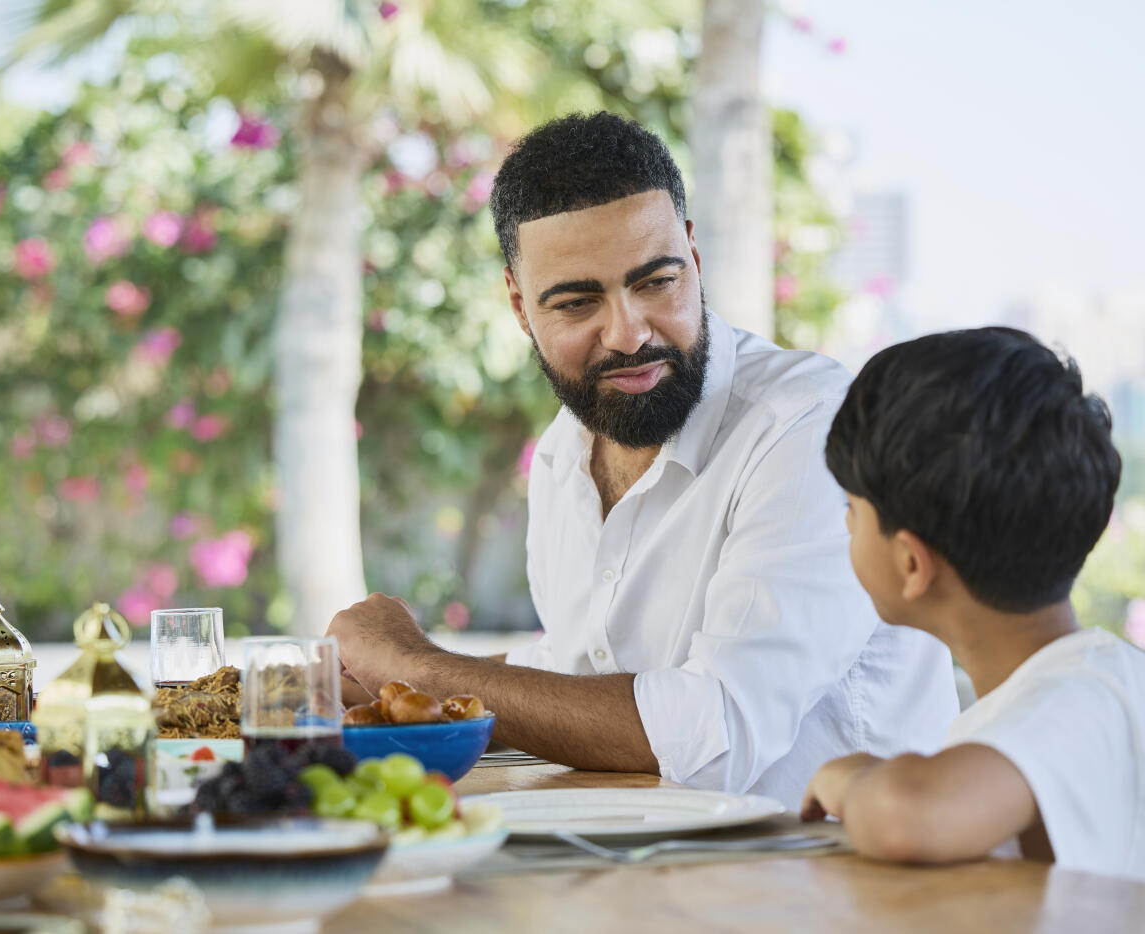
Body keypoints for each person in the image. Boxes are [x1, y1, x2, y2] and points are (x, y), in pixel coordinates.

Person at [329, 111, 956, 805]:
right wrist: (390, 683)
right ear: (518, 303)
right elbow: (579, 672)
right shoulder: (561, 456)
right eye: (576, 302)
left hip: (828, 888)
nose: (629, 335)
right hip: (646, 880)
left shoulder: (807, 424)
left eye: (657, 282)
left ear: (692, 252)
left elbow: (717, 733)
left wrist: (421, 665)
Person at [801, 327, 1145, 898]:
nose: (846, 525)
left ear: (911, 564)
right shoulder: (1125, 682)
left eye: (853, 509)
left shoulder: (1081, 696)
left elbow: (910, 815)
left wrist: (849, 776)